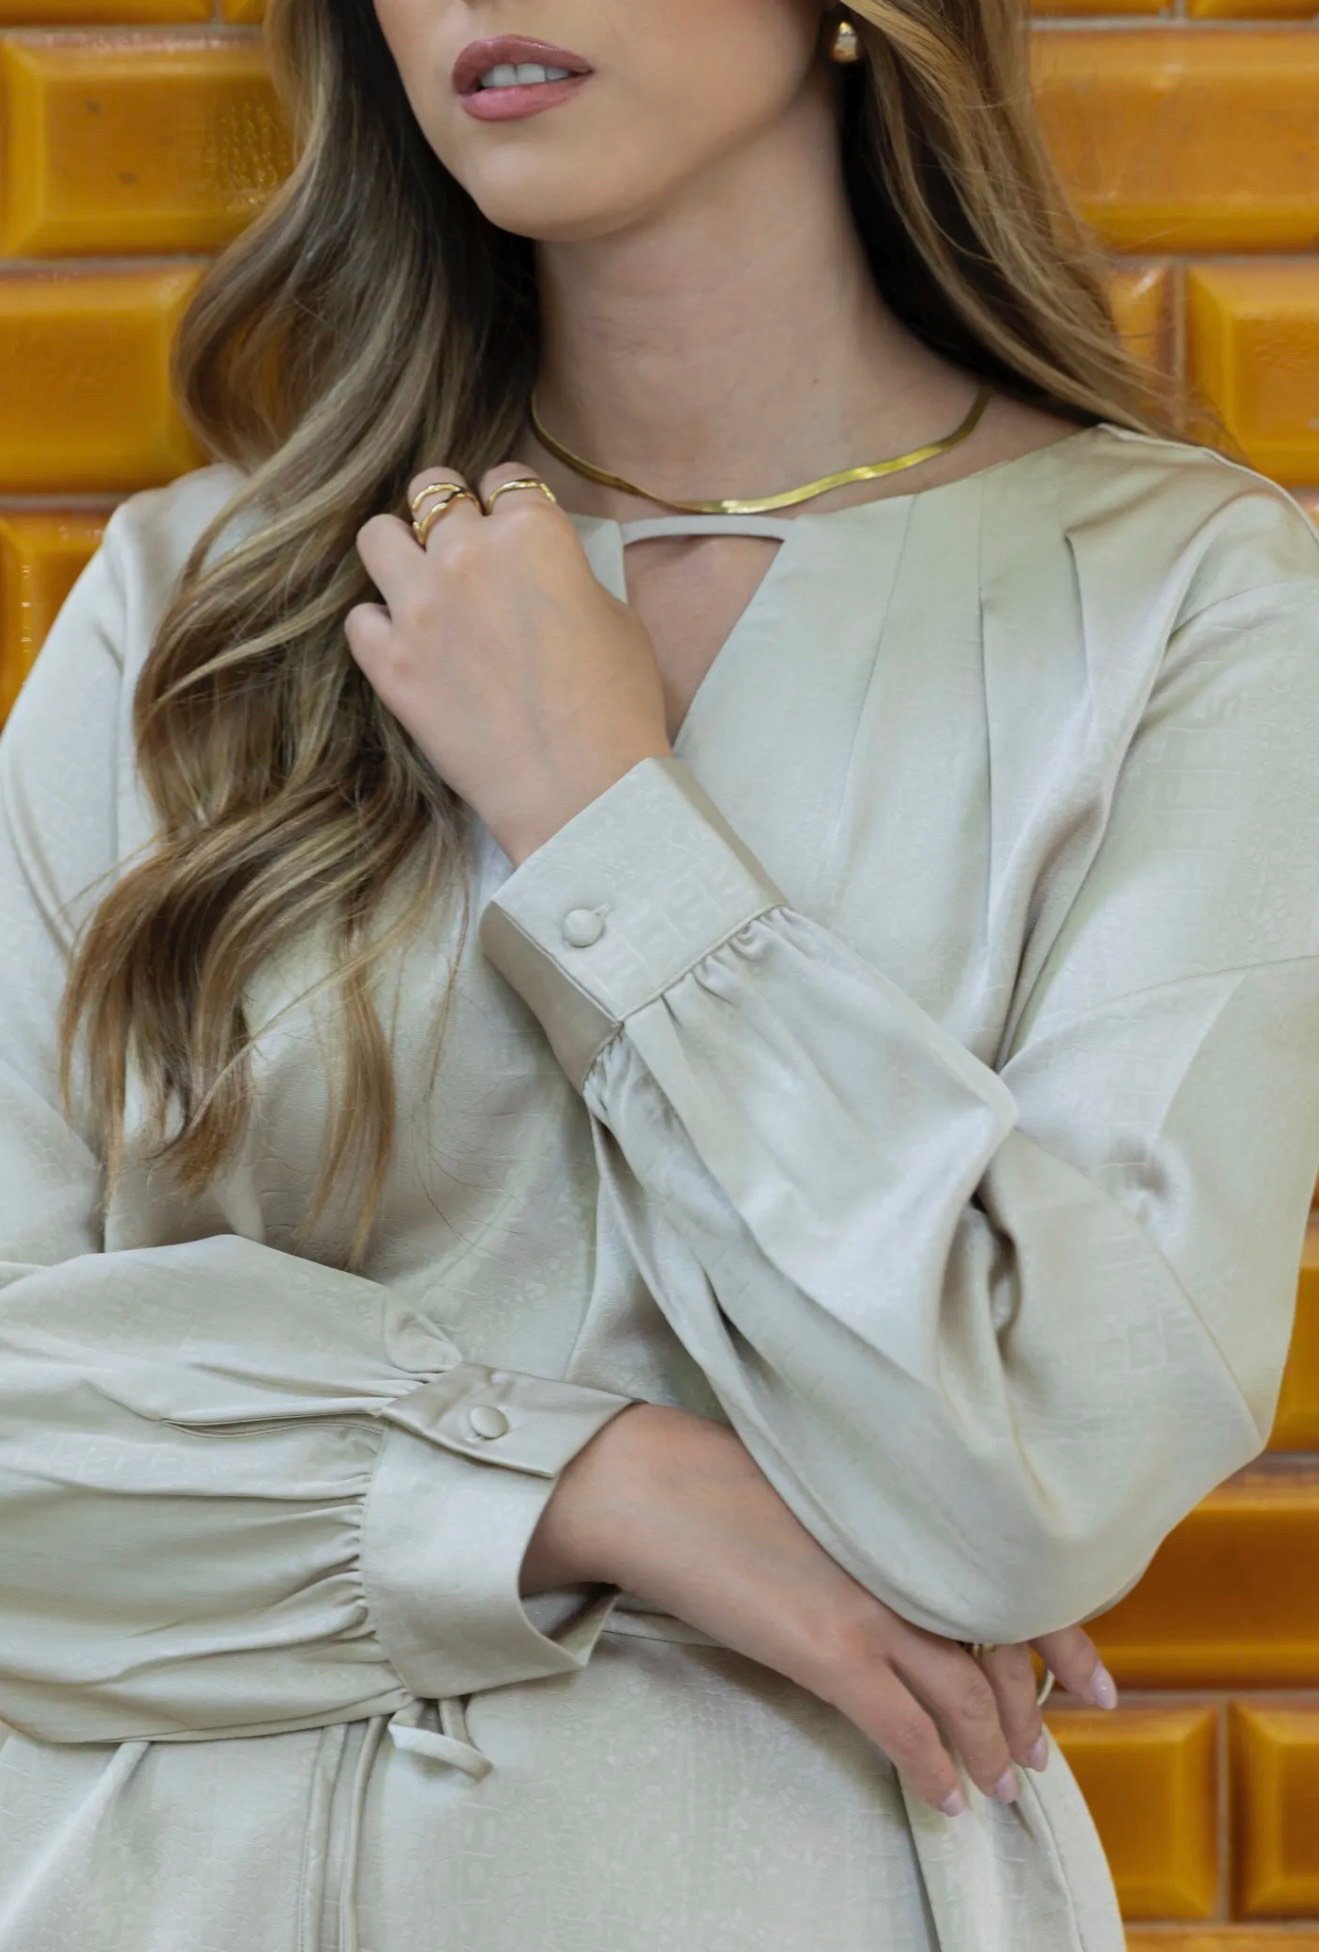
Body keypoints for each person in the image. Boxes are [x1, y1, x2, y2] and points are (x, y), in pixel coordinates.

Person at [1, 0, 1316, 1946]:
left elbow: (1050, 1461)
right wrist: (593, 1485)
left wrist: (602, 815)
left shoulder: (1182, 601)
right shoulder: (200, 606)